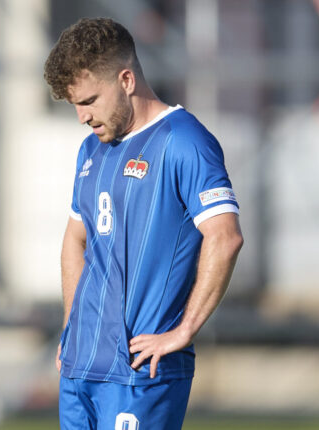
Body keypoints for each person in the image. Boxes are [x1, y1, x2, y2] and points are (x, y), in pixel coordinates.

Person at [43, 17, 244, 430]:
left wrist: (183, 330)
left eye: (91, 100)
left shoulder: (184, 141)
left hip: (140, 371)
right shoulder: (90, 152)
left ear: (127, 80)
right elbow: (74, 240)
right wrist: (72, 327)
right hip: (80, 367)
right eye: (75, 105)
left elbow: (225, 238)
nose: (82, 116)